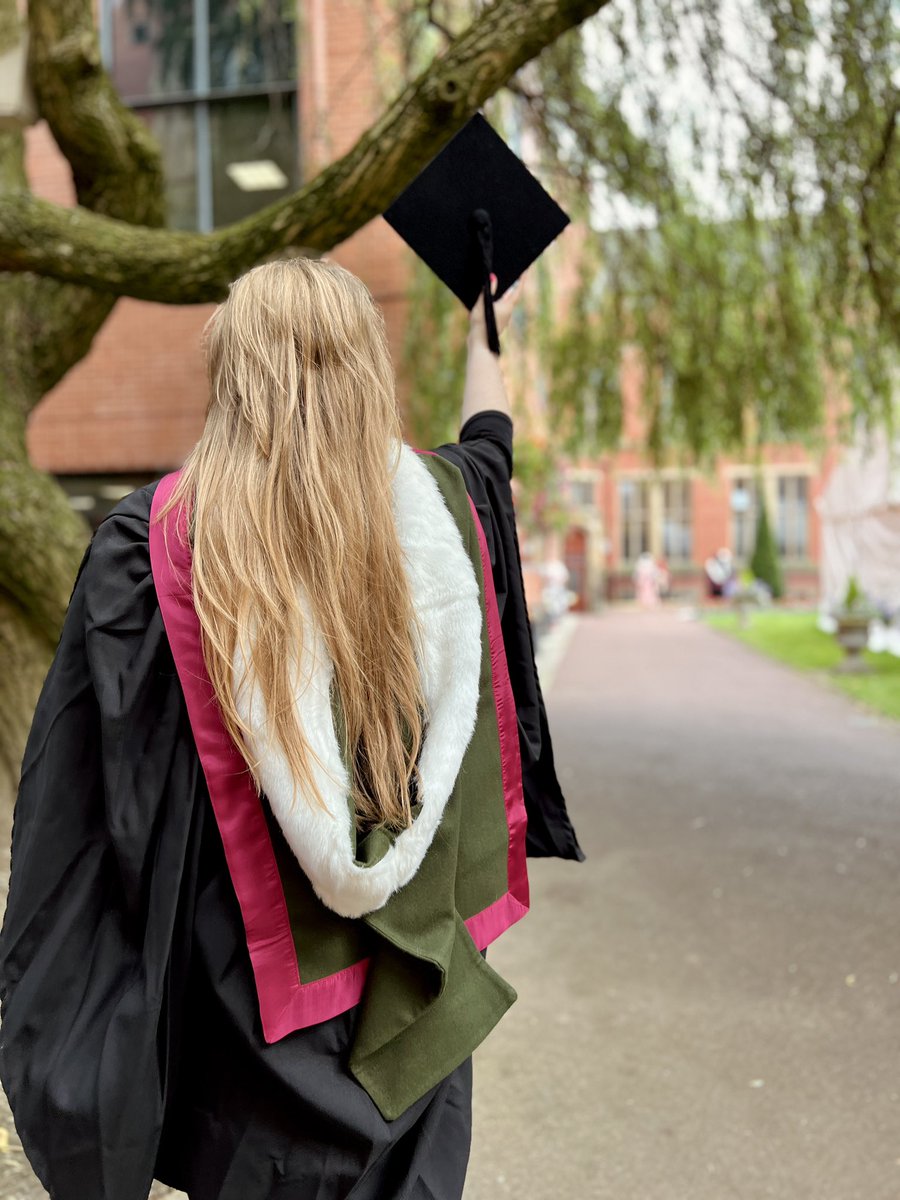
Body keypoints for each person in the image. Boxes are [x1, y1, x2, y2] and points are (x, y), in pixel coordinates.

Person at [0, 258, 582, 1200]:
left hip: (249, 1015)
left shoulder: (154, 550)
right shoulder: (446, 512)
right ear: (365, 369)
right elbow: (491, 448)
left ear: (235, 376)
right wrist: (485, 328)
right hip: (412, 986)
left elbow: (96, 794)